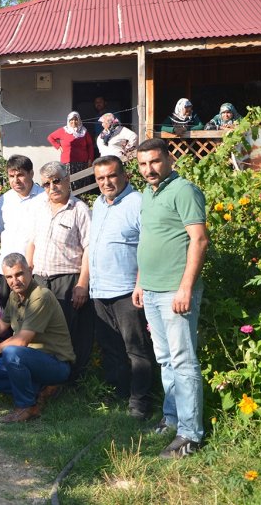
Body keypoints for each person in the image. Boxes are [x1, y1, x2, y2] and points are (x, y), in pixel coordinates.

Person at [133, 139, 208, 458]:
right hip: (151, 290)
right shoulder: (150, 195)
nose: (149, 169)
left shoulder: (184, 190)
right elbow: (150, 240)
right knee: (165, 360)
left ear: (170, 159)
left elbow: (199, 240)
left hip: (175, 292)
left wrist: (186, 288)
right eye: (142, 164)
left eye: (155, 162)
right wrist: (140, 283)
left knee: (183, 361)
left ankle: (190, 435)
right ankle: (173, 418)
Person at [0, 253, 75, 423]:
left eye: (19, 274)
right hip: (27, 360)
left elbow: (23, 339)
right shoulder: (14, 296)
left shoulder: (41, 296)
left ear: (30, 271)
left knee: (12, 352)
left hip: (55, 362)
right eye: (9, 277)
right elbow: (1, 325)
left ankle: (26, 406)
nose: (14, 281)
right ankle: (41, 388)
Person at [89, 156, 154, 419]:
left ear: (125, 175)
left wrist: (140, 284)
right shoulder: (99, 203)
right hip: (100, 290)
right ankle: (120, 392)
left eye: (112, 176)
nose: (106, 182)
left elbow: (149, 247)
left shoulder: (137, 202)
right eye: (101, 178)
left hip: (127, 290)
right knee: (111, 347)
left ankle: (140, 402)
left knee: (136, 348)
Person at [26, 161, 93, 382]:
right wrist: (28, 274)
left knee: (68, 333)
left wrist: (82, 283)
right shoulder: (39, 208)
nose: (52, 187)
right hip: (39, 281)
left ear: (67, 180)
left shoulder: (80, 210)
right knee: (40, 331)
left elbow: (89, 249)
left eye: (56, 181)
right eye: (46, 183)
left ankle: (71, 381)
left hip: (67, 281)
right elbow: (32, 242)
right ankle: (45, 379)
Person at [0, 155, 43, 307]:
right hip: (7, 271)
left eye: (20, 175)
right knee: (8, 316)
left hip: (34, 270)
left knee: (34, 314)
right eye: (11, 176)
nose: (16, 180)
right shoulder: (5, 199)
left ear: (31, 174)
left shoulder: (44, 198)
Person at [47, 112, 94, 184]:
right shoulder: (63, 130)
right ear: (68, 121)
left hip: (82, 162)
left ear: (79, 120)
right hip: (67, 163)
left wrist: (90, 159)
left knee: (82, 182)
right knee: (69, 183)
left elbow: (90, 145)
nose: (74, 122)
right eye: (71, 120)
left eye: (76, 119)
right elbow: (50, 137)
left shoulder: (84, 132)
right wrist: (58, 146)